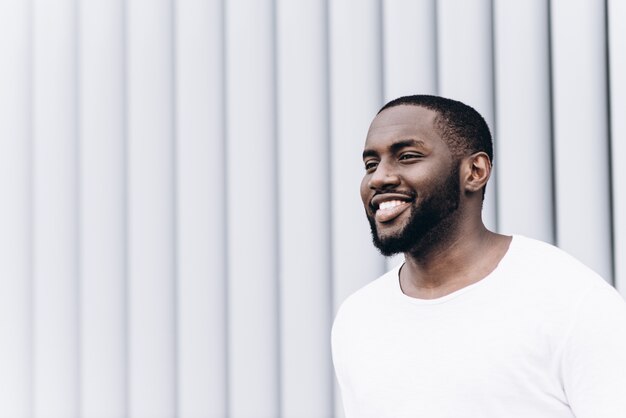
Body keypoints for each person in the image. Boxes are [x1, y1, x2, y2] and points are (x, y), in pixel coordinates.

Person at [331, 95, 626, 418]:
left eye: (408, 156)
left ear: (475, 171)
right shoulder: (358, 319)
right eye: (371, 165)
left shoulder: (571, 302)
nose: (378, 178)